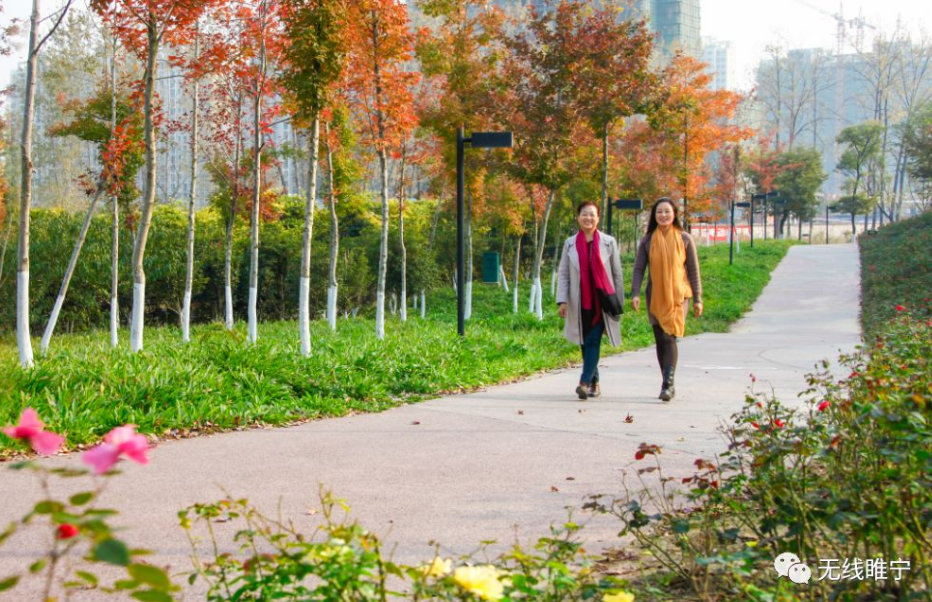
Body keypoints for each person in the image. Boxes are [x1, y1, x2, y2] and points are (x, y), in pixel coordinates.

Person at [630, 198, 703, 401]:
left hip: (679, 296)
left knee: (669, 337)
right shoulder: (647, 240)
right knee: (660, 339)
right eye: (659, 212)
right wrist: (635, 293)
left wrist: (698, 298)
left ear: (674, 214)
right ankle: (666, 382)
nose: (663, 215)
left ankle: (667, 384)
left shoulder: (685, 238)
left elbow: (693, 271)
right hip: (655, 296)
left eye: (667, 212)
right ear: (654, 215)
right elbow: (638, 269)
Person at [556, 201, 625, 400]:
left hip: (601, 303)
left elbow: (617, 274)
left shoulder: (608, 242)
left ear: (598, 217)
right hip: (579, 303)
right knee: (584, 343)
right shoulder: (570, 244)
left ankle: (584, 382)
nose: (588, 218)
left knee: (593, 340)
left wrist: (617, 304)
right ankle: (595, 381)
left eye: (592, 214)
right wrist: (562, 301)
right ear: (578, 217)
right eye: (584, 214)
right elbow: (564, 274)